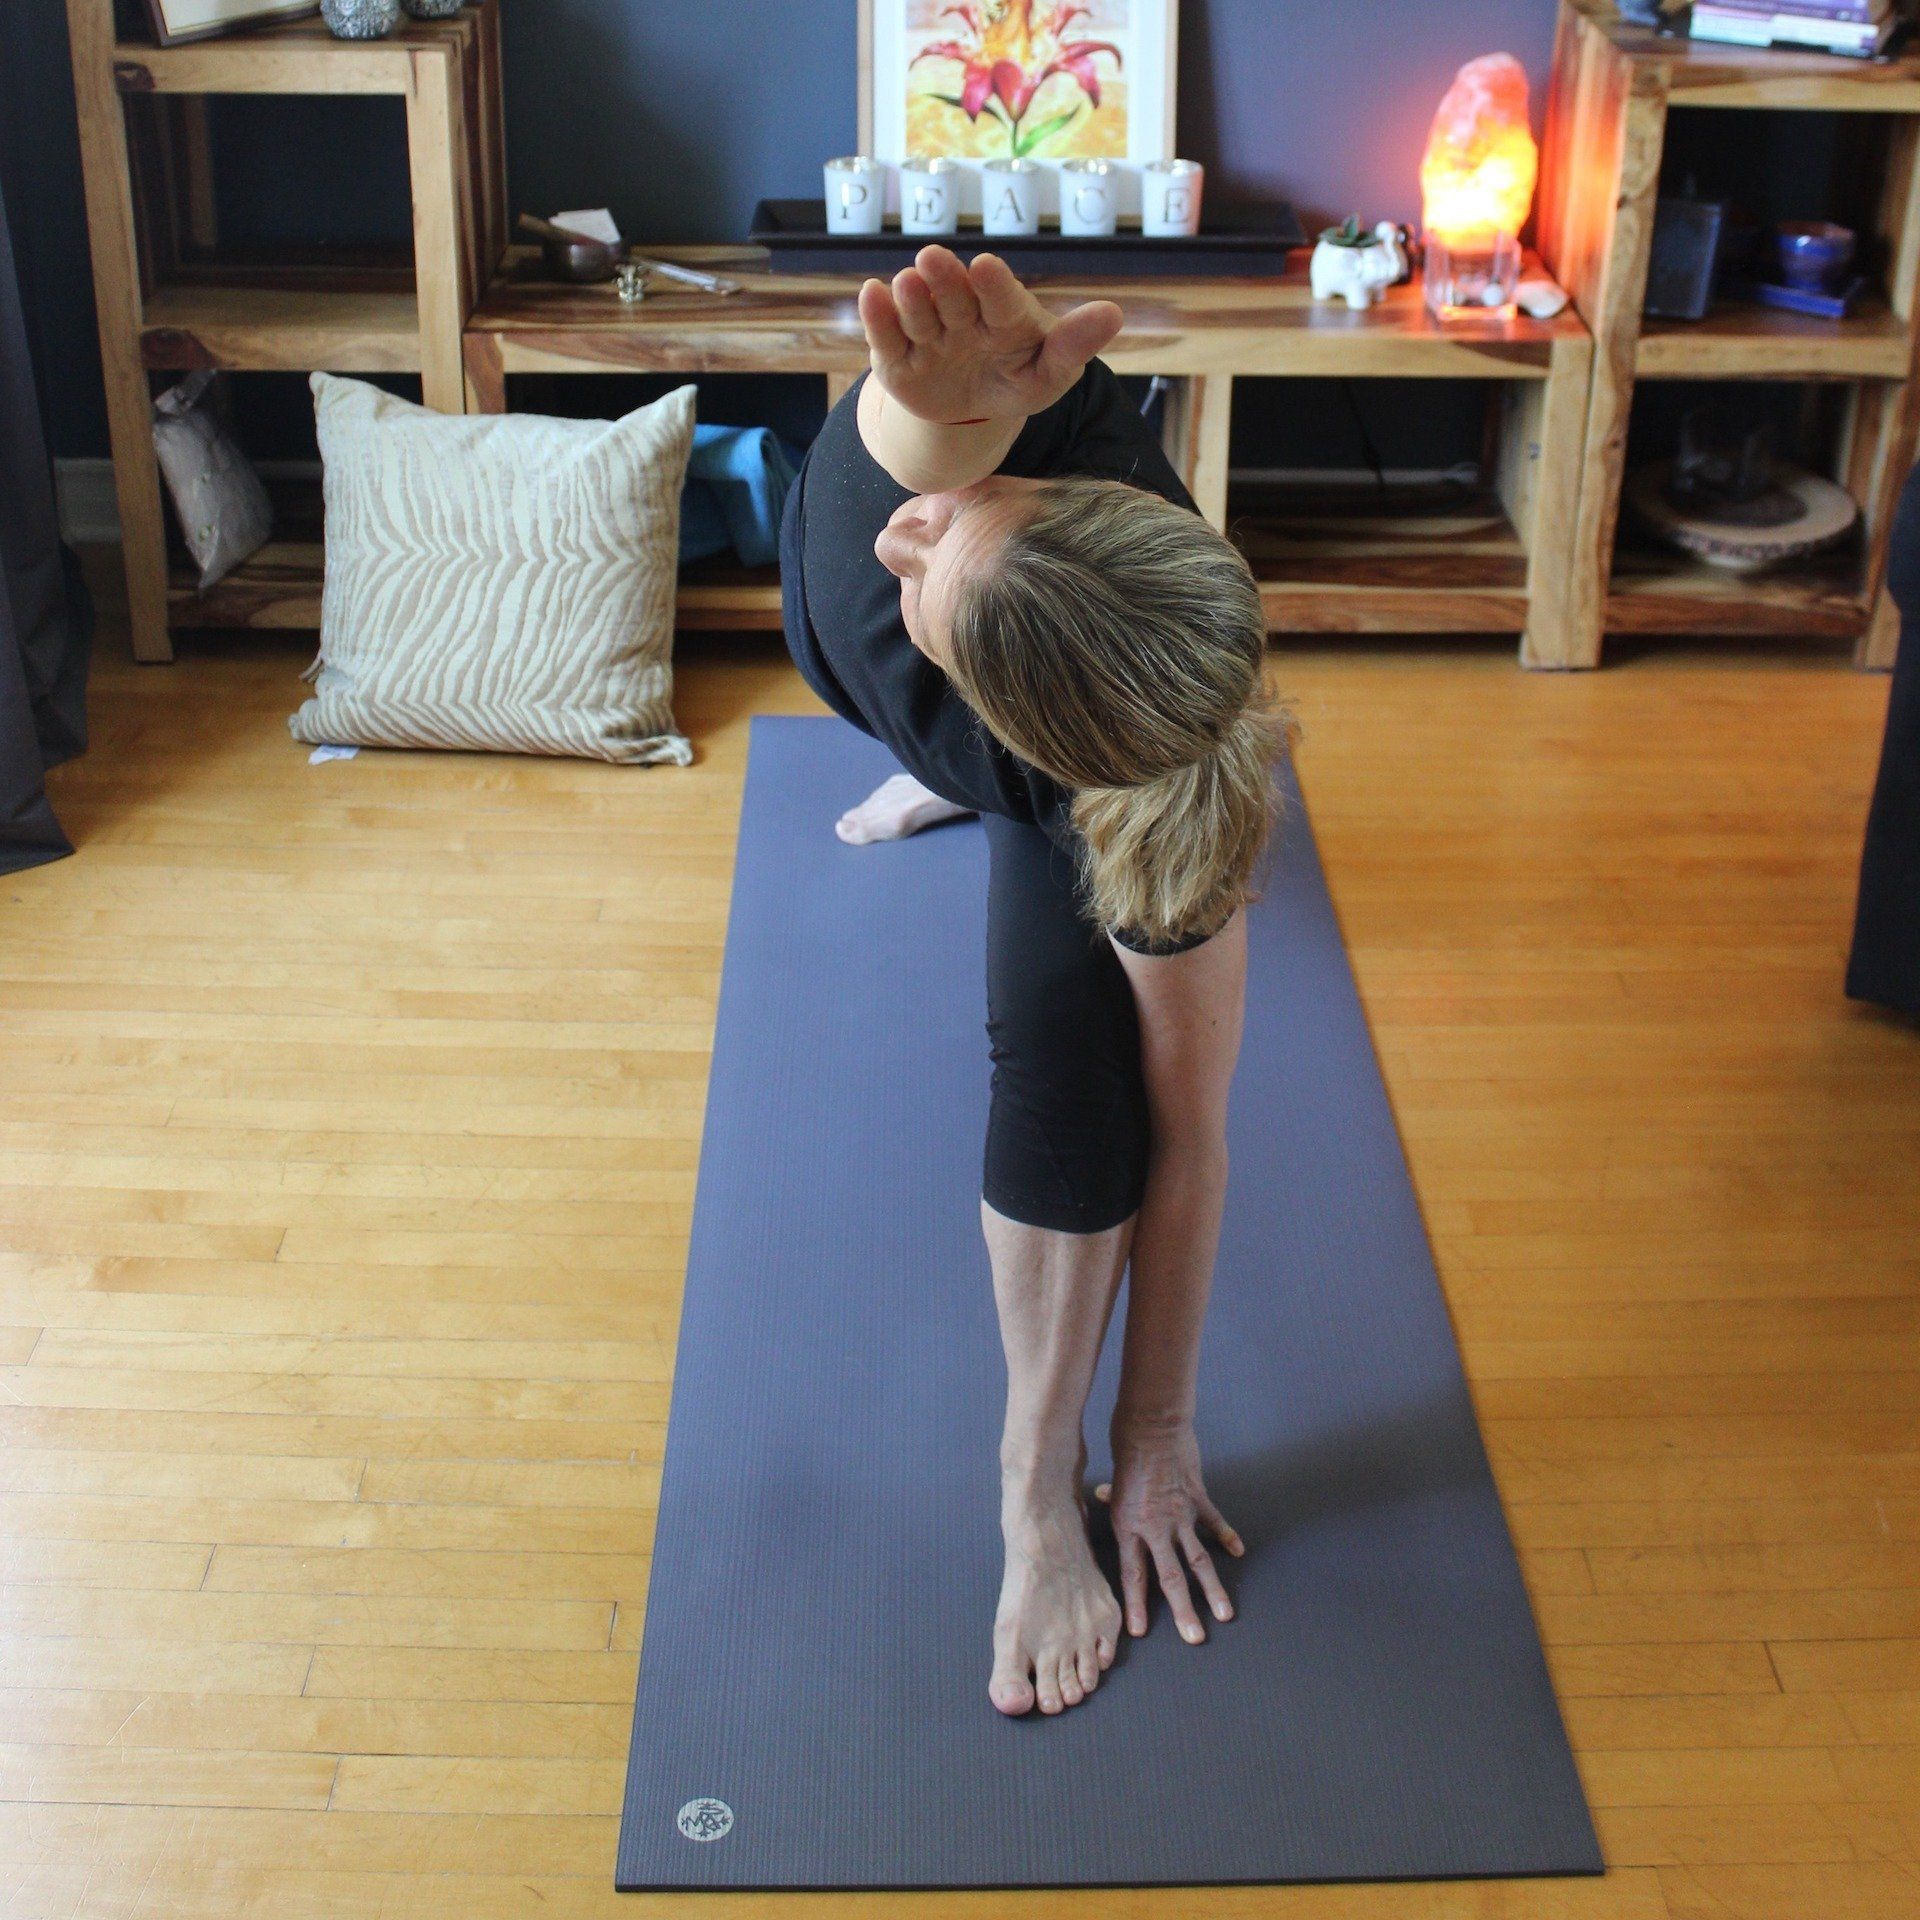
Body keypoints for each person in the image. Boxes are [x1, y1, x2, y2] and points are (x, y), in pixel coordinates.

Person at [779, 243, 1284, 1717]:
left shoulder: (1128, 790)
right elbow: (922, 481)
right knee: (949, 507)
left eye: (942, 551)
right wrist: (941, 429)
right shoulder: (957, 519)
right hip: (1006, 569)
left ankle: (1031, 1481)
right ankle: (1023, 1486)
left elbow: (1189, 1131)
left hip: (1061, 740)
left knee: (1080, 1088)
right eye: (954, 525)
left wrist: (1156, 1433)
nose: (907, 538)